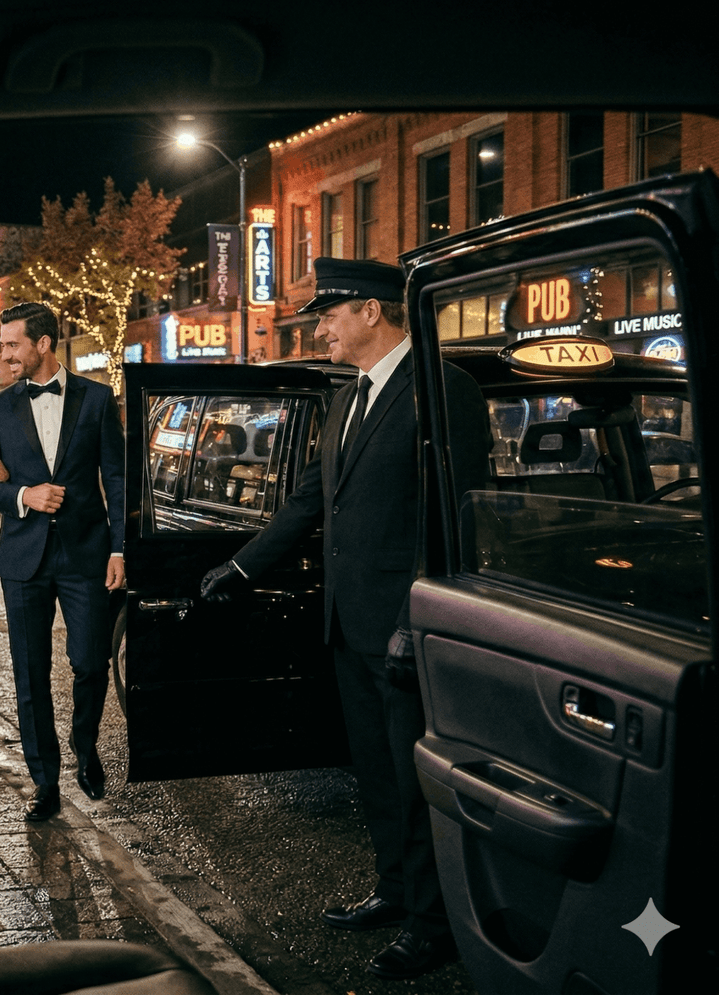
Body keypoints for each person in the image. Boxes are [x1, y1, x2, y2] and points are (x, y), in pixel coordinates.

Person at [198, 258, 488, 981]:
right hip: (349, 625)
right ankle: (395, 890)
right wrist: (240, 567)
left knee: (418, 782)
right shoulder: (348, 398)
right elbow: (306, 503)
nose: (318, 328)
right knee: (378, 775)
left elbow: (454, 518)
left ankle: (435, 925)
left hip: (405, 627)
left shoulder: (442, 389)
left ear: (371, 311)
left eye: (327, 315)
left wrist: (416, 619)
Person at [0, 301, 124, 821]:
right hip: (22, 559)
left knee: (90, 660)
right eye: (3, 343)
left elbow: (118, 481)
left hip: (86, 555)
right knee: (29, 673)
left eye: (12, 344)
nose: (3, 353)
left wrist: (121, 548)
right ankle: (45, 782)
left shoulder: (98, 399)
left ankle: (85, 744)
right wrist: (21, 494)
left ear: (43, 344)